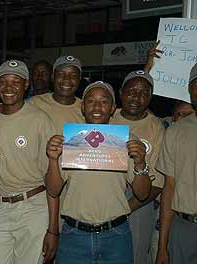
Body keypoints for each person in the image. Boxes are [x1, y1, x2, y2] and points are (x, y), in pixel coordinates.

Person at [46, 81, 153, 264]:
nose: (97, 107)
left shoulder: (126, 141)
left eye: (104, 102)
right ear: (82, 106)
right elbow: (54, 190)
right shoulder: (69, 139)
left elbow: (142, 194)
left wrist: (140, 161)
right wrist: (53, 159)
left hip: (116, 235)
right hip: (74, 234)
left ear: (112, 108)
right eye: (90, 101)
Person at [0, 59, 58, 264]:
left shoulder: (40, 119)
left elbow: (52, 177)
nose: (8, 87)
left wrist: (53, 228)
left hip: (33, 205)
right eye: (3, 81)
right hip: (0, 206)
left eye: (16, 82)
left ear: (26, 85)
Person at [111, 70, 165, 264]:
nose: (136, 96)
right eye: (131, 90)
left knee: (135, 258)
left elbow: (159, 182)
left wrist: (126, 207)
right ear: (120, 92)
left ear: (150, 98)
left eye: (144, 92)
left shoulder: (157, 127)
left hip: (139, 202)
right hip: (105, 198)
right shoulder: (106, 117)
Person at [155, 63, 197, 264]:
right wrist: (162, 246)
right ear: (190, 90)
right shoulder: (176, 131)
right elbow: (168, 189)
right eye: (196, 84)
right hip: (184, 229)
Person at [29, 55, 84, 135]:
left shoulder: (86, 110)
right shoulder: (33, 104)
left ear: (79, 79)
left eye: (73, 76)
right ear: (52, 76)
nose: (66, 79)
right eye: (61, 74)